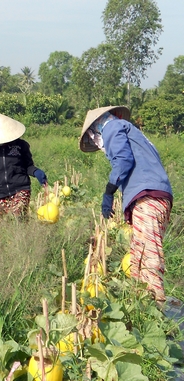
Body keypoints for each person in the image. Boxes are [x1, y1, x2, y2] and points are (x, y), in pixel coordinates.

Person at [79, 105, 173, 307]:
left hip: (148, 198)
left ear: (95, 130)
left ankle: (157, 310)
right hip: (155, 196)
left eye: (93, 139)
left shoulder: (112, 127)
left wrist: (109, 191)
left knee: (148, 256)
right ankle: (142, 310)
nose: (98, 144)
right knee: (138, 257)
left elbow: (123, 160)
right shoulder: (132, 132)